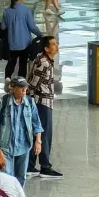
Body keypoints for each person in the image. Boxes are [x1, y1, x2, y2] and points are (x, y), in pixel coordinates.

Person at [0, 78, 43, 186]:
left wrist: (38, 141)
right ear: (13, 89)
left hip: (24, 145)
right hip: (5, 145)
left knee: (21, 176)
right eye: (21, 87)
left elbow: (37, 124)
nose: (24, 90)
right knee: (6, 176)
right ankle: (8, 196)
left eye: (25, 87)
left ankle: (18, 196)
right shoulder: (3, 102)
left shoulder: (30, 102)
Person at [25, 36, 61, 179]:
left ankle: (30, 166)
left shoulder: (43, 58)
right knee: (44, 135)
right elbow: (33, 84)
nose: (56, 46)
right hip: (42, 103)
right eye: (53, 44)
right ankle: (45, 166)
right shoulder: (44, 63)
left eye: (56, 43)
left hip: (43, 102)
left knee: (38, 133)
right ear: (46, 48)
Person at [0, 0, 42, 81]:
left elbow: (3, 27)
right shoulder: (26, 10)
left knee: (11, 62)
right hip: (25, 43)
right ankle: (21, 81)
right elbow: (32, 27)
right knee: (23, 64)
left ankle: (7, 78)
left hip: (12, 43)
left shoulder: (7, 11)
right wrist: (40, 34)